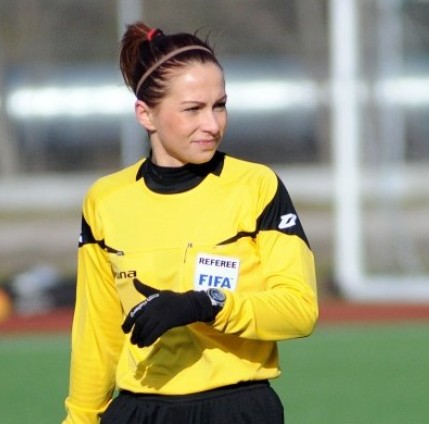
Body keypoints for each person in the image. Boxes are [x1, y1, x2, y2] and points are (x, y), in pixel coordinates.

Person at [62, 22, 318, 424]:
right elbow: (97, 334)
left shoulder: (256, 186)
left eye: (220, 105)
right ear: (146, 114)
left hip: (237, 410)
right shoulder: (105, 200)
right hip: (139, 411)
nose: (212, 124)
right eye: (193, 109)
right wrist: (80, 419)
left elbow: (299, 309)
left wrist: (203, 304)